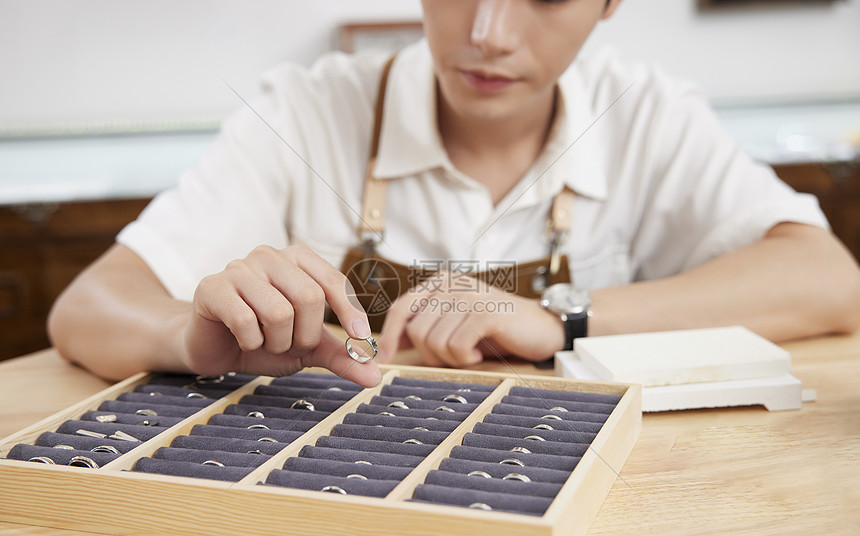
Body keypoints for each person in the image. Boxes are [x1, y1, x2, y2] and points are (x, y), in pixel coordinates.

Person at [48, 0, 860, 387]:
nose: (489, 34)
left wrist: (565, 319)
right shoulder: (308, 109)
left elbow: (828, 280)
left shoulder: (647, 113)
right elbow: (87, 308)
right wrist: (188, 340)